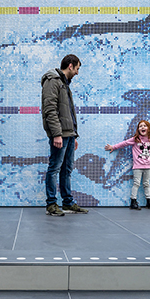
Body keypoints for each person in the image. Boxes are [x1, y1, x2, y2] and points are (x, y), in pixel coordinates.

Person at [41, 54, 88, 216]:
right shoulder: (52, 81)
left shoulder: (63, 84)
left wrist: (74, 135)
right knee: (54, 168)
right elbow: (50, 110)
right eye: (77, 69)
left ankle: (67, 203)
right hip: (60, 134)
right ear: (70, 66)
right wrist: (56, 134)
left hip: (69, 134)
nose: (77, 73)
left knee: (67, 169)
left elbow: (68, 112)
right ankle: (51, 204)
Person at [105, 120, 150, 210]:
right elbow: (124, 143)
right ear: (138, 129)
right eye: (140, 126)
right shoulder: (135, 139)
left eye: (145, 126)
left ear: (148, 129)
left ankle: (149, 201)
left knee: (146, 184)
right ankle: (133, 201)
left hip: (148, 166)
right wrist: (113, 147)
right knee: (136, 183)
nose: (142, 127)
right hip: (137, 167)